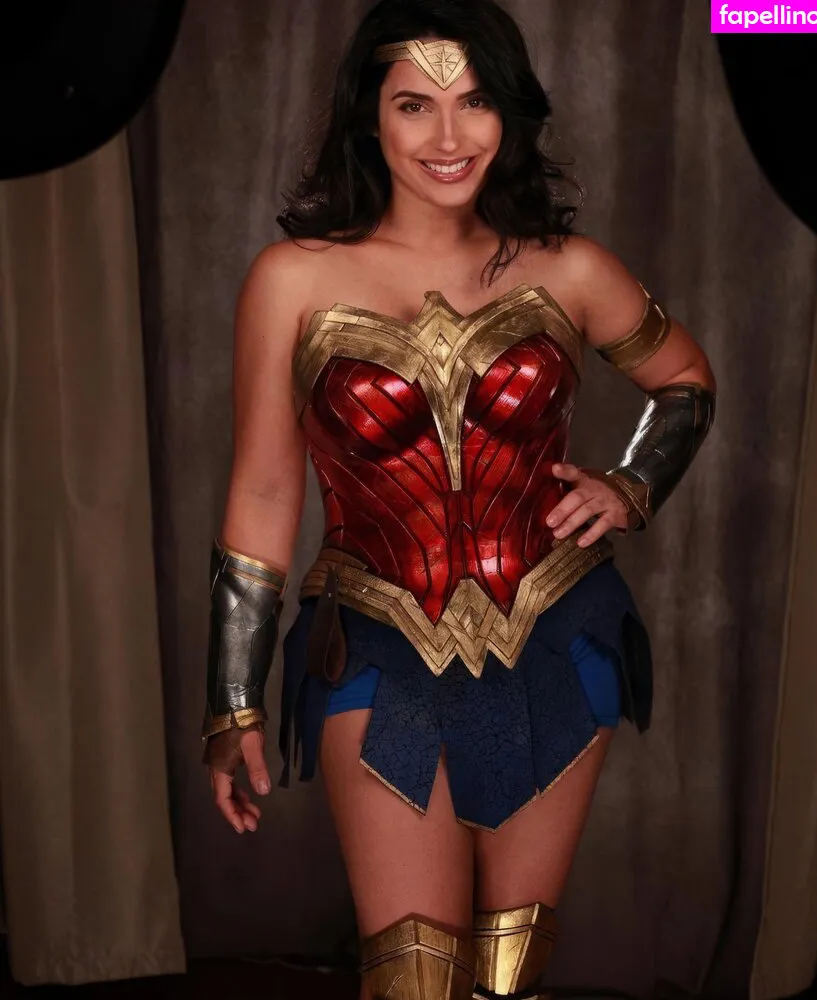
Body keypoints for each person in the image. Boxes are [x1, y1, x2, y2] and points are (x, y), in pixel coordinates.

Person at [200, 1, 716, 998]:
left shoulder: (568, 268)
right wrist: (232, 700)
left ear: (507, 112)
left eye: (474, 101)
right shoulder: (291, 280)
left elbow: (686, 382)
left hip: (558, 632)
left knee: (507, 974)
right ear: (370, 116)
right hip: (376, 645)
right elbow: (263, 488)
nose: (448, 136)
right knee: (414, 979)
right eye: (414, 105)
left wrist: (629, 484)